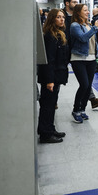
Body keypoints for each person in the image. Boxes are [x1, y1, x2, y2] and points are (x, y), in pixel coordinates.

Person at [69, 4, 98, 123]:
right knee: (84, 85)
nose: (87, 12)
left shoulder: (88, 25)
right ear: (78, 12)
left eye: (87, 10)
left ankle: (82, 109)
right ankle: (76, 110)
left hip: (91, 59)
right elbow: (83, 38)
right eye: (85, 10)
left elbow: (94, 42)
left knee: (88, 86)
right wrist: (95, 28)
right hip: (78, 59)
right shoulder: (75, 26)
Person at [37, 9, 69, 143]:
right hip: (51, 77)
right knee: (47, 105)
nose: (62, 19)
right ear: (52, 19)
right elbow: (48, 60)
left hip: (56, 75)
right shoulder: (50, 36)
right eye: (58, 17)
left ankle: (50, 128)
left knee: (51, 104)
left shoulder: (58, 34)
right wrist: (49, 80)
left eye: (62, 17)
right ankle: (45, 134)